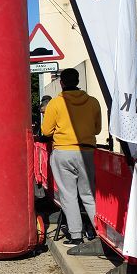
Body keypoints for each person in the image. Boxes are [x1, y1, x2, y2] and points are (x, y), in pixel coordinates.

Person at [41, 68, 101, 253]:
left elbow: (46, 131)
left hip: (63, 152)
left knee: (68, 195)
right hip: (87, 152)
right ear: (78, 81)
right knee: (89, 195)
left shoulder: (56, 103)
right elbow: (97, 129)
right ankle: (100, 235)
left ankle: (76, 236)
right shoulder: (93, 102)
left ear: (61, 83)